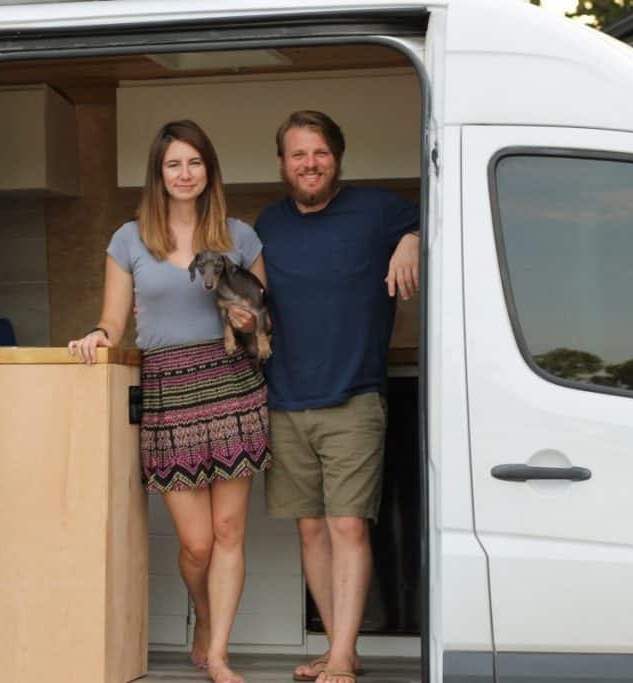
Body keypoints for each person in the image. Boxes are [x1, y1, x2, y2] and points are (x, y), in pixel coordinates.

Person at [68, 120, 270, 683]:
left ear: (210, 171)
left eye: (195, 163)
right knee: (196, 543)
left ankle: (220, 653)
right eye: (174, 164)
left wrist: (246, 321)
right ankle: (203, 616)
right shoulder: (128, 240)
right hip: (169, 393)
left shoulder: (240, 236)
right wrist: (98, 337)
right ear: (159, 174)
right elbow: (113, 319)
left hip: (232, 386)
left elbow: (259, 313)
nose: (185, 174)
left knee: (230, 533)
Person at [232, 110, 419, 683]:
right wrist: (243, 321)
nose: (309, 164)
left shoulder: (381, 210)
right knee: (309, 529)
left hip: (353, 397)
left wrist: (412, 240)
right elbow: (258, 306)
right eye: (297, 155)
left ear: (336, 156)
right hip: (284, 397)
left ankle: (340, 654)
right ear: (283, 163)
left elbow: (440, 212)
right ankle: (343, 648)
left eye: (319, 153)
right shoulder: (269, 223)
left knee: (348, 527)